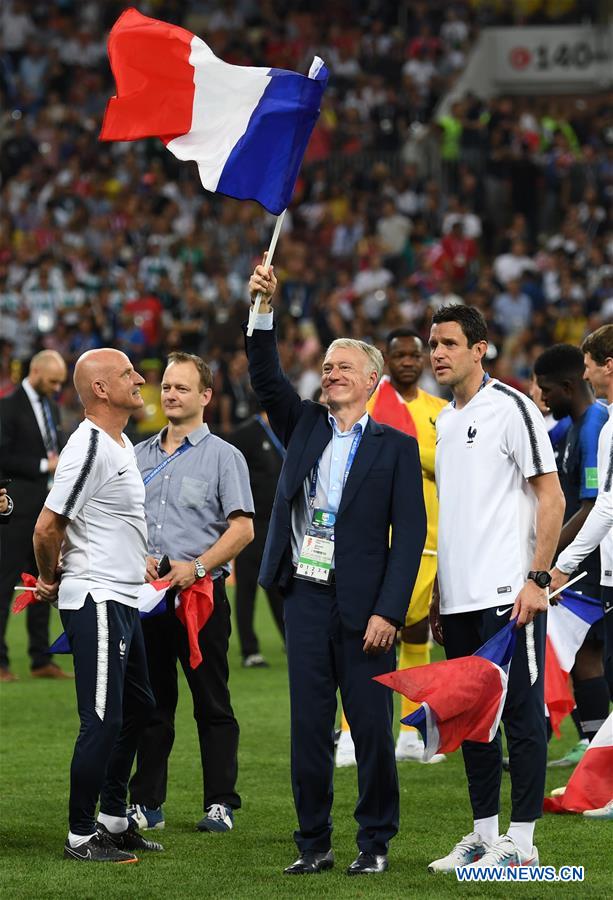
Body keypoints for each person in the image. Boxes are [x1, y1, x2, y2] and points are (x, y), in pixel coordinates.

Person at [245, 261, 426, 876]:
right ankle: (313, 843)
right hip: (305, 597)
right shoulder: (302, 425)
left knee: (371, 730)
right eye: (326, 366)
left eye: (344, 366)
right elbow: (265, 376)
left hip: (367, 608)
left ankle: (374, 842)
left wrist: (389, 611)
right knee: (309, 727)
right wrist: (263, 309)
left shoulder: (396, 448)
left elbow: (410, 537)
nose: (331, 373)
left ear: (372, 380)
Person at [427, 305, 565, 873]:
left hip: (510, 594)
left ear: (479, 349)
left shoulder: (512, 407)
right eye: (434, 344)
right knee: (470, 719)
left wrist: (537, 578)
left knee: (522, 717)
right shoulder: (444, 420)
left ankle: (524, 842)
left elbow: (551, 496)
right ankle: (484, 835)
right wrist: (441, 590)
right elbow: (458, 511)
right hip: (460, 597)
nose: (438, 353)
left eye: (449, 343)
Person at [32, 348, 162, 863]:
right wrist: (48, 578)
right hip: (98, 595)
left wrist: (137, 556)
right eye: (128, 373)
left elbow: (103, 518)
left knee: (140, 707)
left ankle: (112, 818)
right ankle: (81, 835)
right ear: (101, 389)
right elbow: (47, 527)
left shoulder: (118, 442)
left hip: (124, 594)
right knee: (103, 718)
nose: (140, 378)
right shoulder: (88, 446)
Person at [128, 351, 254, 834]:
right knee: (150, 703)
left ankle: (220, 802)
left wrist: (197, 566)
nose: (171, 394)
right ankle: (146, 803)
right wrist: (136, 556)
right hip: (149, 598)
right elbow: (123, 521)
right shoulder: (136, 454)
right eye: (166, 387)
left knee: (212, 702)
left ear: (206, 396)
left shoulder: (225, 456)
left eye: (182, 387)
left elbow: (242, 529)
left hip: (201, 598)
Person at [336, 327, 447, 767]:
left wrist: (412, 453)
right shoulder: (369, 407)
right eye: (399, 355)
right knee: (368, 637)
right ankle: (349, 735)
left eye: (414, 355)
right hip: (375, 542)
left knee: (417, 632)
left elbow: (452, 466)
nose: (407, 362)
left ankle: (411, 733)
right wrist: (423, 456)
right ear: (386, 361)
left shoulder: (441, 411)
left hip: (430, 540)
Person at [534, 344, 609, 763]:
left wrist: (548, 556)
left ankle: (593, 744)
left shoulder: (595, 423)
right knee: (584, 652)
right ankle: (591, 743)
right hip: (584, 557)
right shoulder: (573, 426)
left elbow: (593, 505)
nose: (543, 399)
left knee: (590, 651)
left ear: (567, 386)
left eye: (546, 391)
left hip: (592, 557)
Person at [550, 325, 613, 697]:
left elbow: (605, 504)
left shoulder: (604, 426)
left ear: (609, 365)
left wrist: (562, 565)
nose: (585, 375)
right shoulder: (602, 423)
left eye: (588, 365)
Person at [0, 349, 69, 682]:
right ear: (37, 371)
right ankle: (0, 662)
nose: (57, 388)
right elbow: (3, 457)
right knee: (4, 585)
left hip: (47, 510)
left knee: (44, 582)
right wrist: (45, 465)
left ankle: (41, 659)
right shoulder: (7, 407)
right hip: (15, 511)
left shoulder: (51, 407)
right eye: (53, 381)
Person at [227, 410, 285, 667]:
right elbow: (230, 474)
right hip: (250, 523)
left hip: (279, 524)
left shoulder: (285, 431)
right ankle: (250, 650)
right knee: (247, 587)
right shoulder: (246, 434)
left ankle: (290, 640)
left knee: (279, 585)